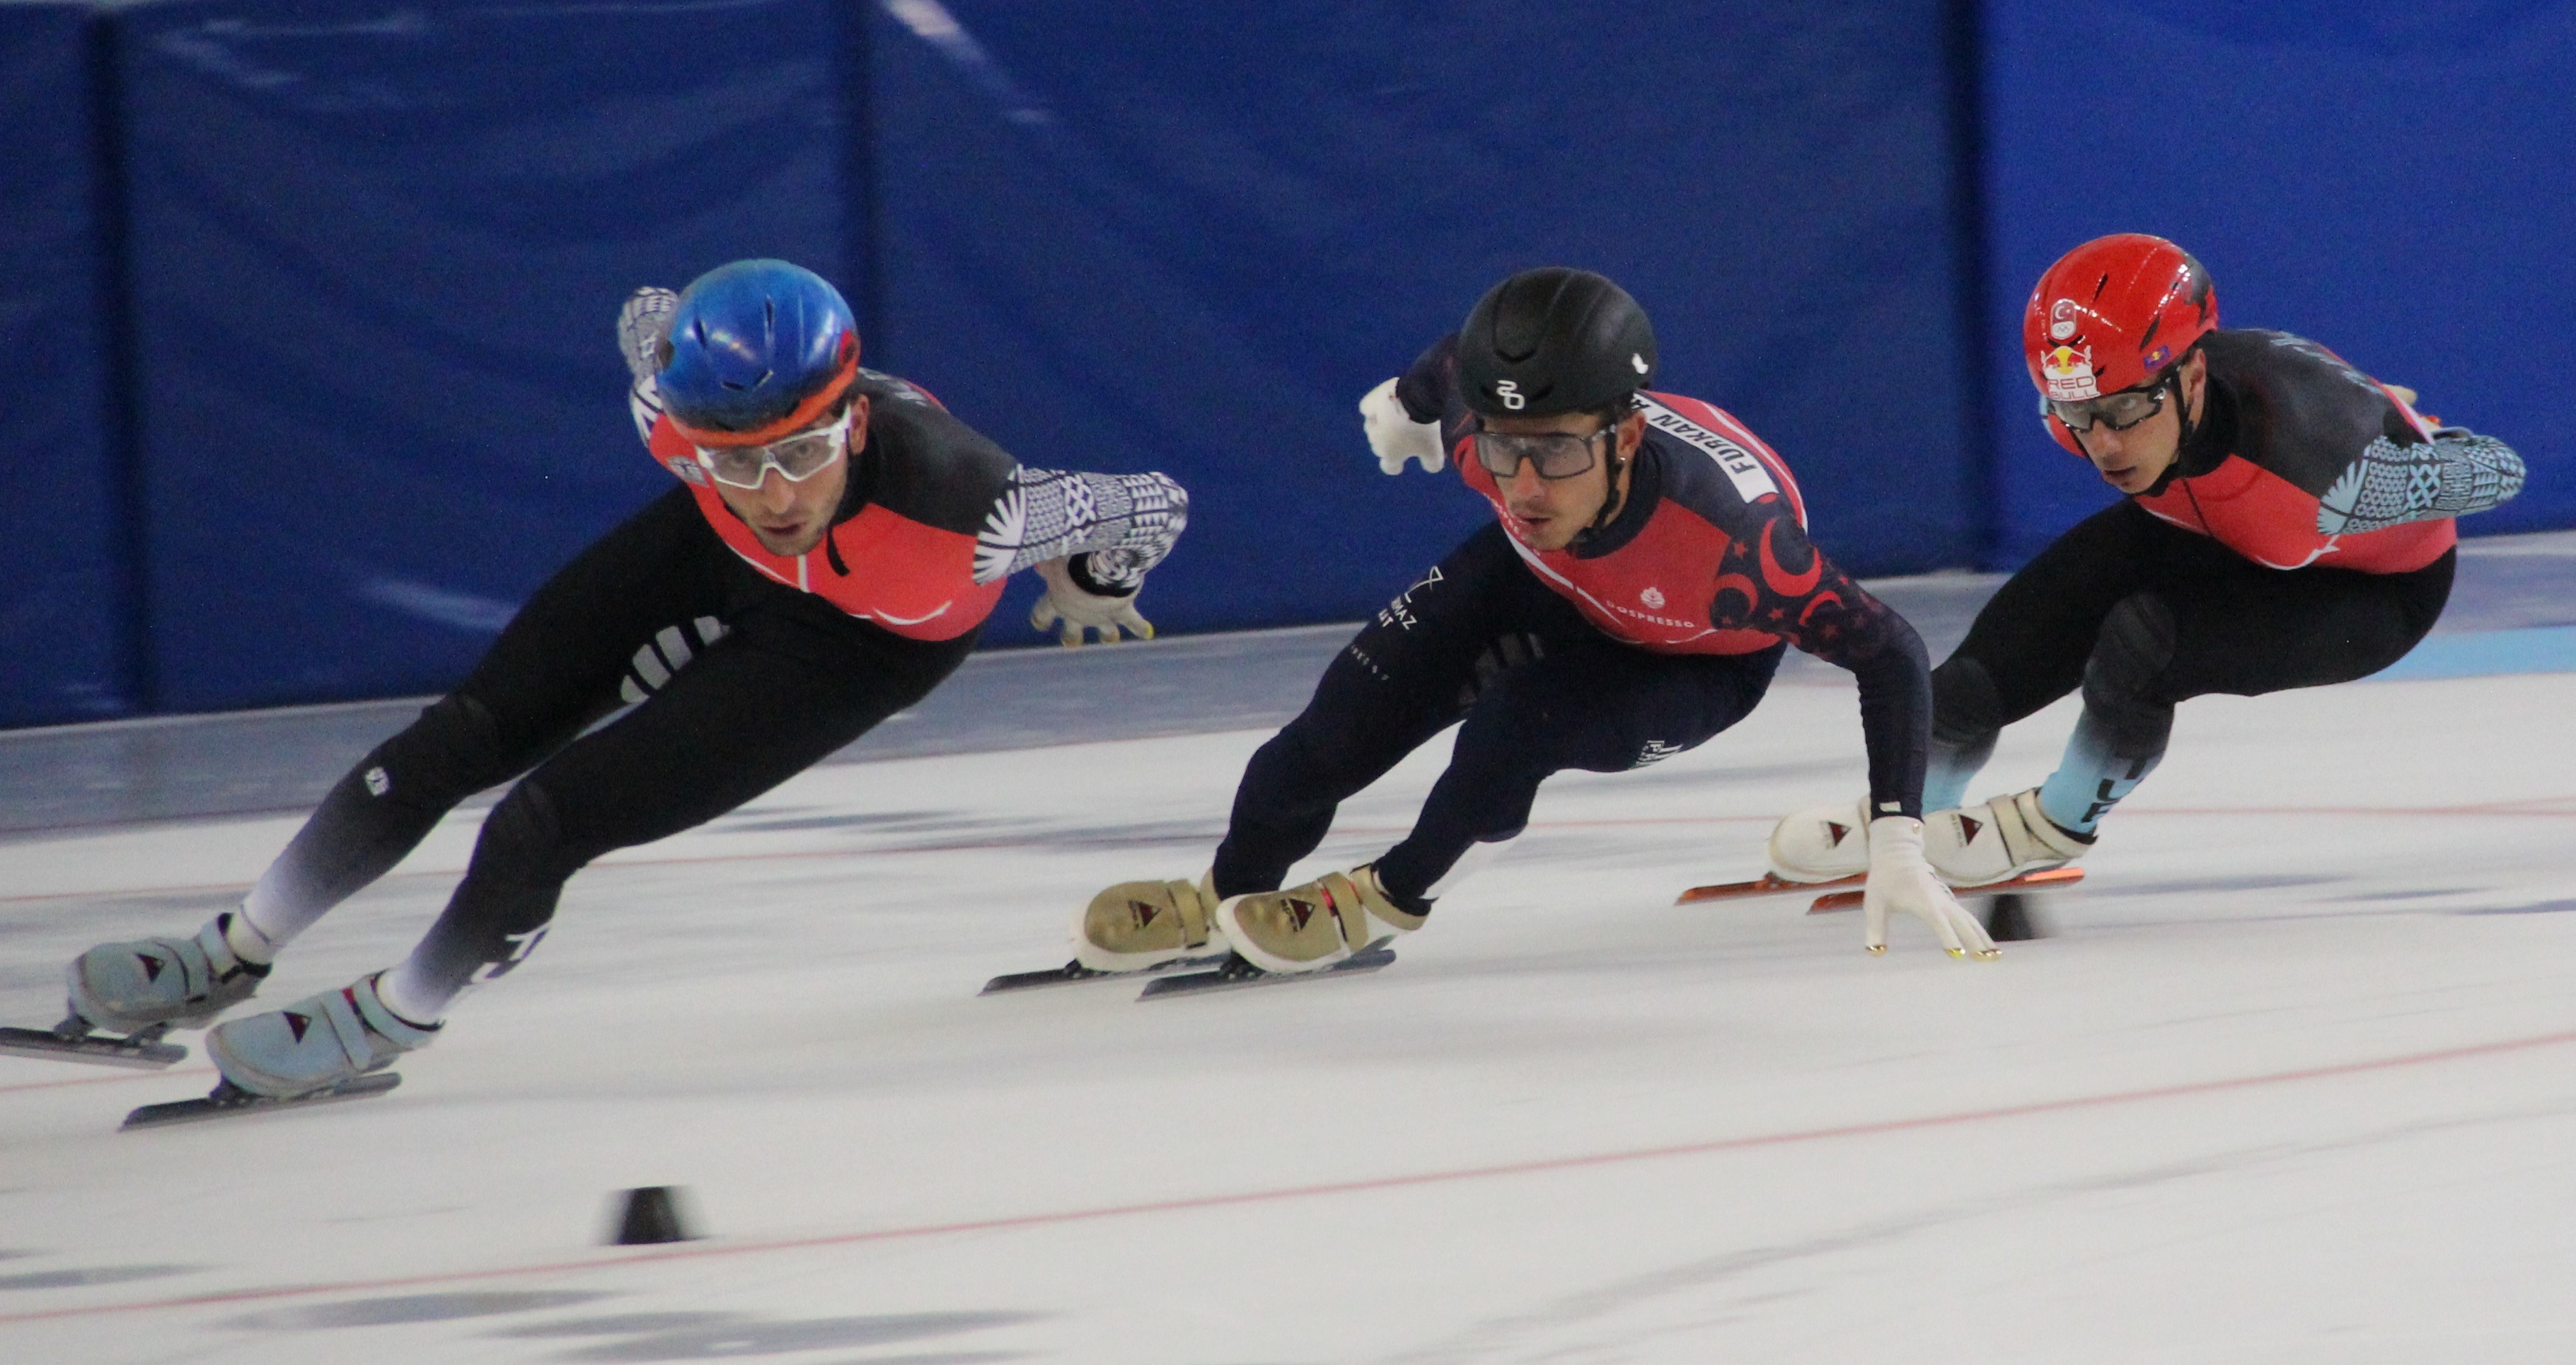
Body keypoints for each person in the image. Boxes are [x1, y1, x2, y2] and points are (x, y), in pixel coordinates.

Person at [54, 259, 1189, 1098]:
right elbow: (647, 311)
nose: (777, 490)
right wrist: (723, 481)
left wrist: (1093, 577)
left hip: (863, 641)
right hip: (709, 556)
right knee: (457, 739)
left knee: (545, 822)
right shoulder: (666, 405)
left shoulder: (974, 506)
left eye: (801, 450)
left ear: (851, 416)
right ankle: (231, 948)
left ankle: (397, 1018)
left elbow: (1156, 499)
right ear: (686, 436)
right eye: (735, 461)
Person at [1068, 267, 1994, 976]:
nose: (1521, 484)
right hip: (1547, 583)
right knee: (1328, 733)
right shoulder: (1494, 437)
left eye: (1553, 453)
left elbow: (1892, 651)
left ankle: (1387, 898)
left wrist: (1897, 835)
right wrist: (1404, 406)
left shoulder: (1738, 549)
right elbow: (1448, 367)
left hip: (1690, 658)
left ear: (1626, 437)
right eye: (1505, 449)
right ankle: (1225, 890)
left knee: (1514, 726)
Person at [1769, 234, 2524, 887]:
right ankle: (1909, 800)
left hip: (2367, 587)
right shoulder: (2088, 393)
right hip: (2213, 524)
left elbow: (2503, 469)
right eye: (2077, 415)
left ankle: (2051, 826)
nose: (2101, 443)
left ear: (2191, 377)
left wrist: (2428, 451)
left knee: (2143, 643)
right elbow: (2102, 412)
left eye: (2125, 410)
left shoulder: (2325, 469)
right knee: (1987, 663)